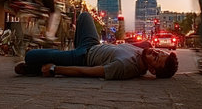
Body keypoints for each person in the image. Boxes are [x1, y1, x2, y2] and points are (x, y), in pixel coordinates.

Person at [14, 12, 178, 80]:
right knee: (85, 15)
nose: (154, 52)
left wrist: (54, 69)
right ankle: (62, 55)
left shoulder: (124, 67)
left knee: (31, 56)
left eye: (156, 58)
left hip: (82, 57)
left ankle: (35, 69)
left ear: (153, 70)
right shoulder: (145, 49)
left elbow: (87, 72)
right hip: (91, 43)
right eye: (159, 51)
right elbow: (145, 44)